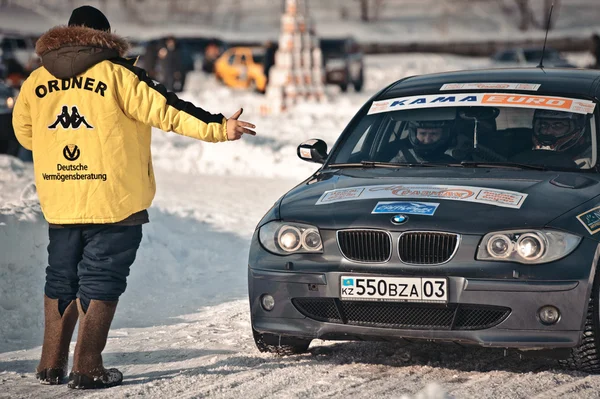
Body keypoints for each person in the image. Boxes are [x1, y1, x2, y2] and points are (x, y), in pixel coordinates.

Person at [12, 5, 256, 390]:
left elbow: (26, 136)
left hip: (60, 199)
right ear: (104, 36)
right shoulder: (117, 74)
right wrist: (218, 128)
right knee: (101, 278)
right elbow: (168, 110)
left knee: (61, 276)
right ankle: (88, 366)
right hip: (114, 201)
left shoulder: (35, 81)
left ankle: (49, 364)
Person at [390, 120, 456, 163]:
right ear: (415, 135)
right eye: (422, 133)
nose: (427, 140)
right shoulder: (400, 162)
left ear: (442, 135)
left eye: (433, 134)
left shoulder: (452, 164)